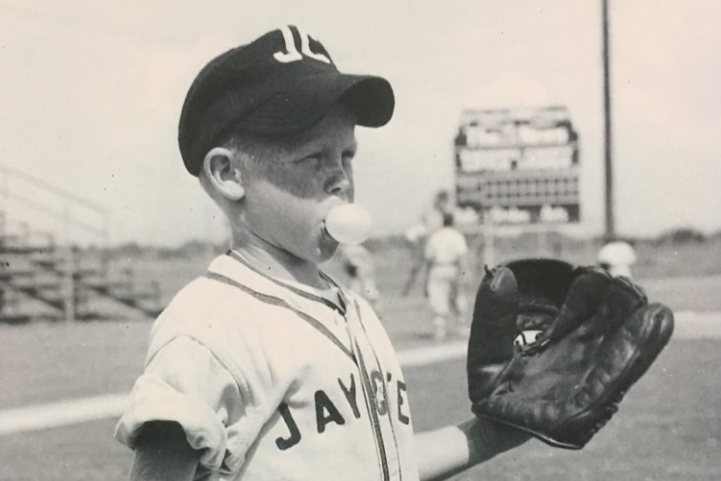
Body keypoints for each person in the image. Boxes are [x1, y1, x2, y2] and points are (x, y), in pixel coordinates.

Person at [114, 26, 527, 481]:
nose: (340, 179)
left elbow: (379, 467)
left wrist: (493, 433)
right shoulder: (206, 329)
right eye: (314, 158)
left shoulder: (354, 310)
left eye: (346, 155)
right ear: (228, 173)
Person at [423, 212, 470, 341]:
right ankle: (461, 327)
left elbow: (429, 260)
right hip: (453, 268)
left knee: (438, 299)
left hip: (437, 269)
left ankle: (440, 330)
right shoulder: (457, 236)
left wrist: (426, 280)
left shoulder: (435, 237)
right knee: (458, 297)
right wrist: (465, 273)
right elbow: (461, 257)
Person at [337, 242, 381, 309]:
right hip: (358, 274)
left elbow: (351, 264)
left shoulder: (349, 250)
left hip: (363, 272)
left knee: (368, 291)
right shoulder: (358, 249)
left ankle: (376, 310)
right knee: (357, 292)